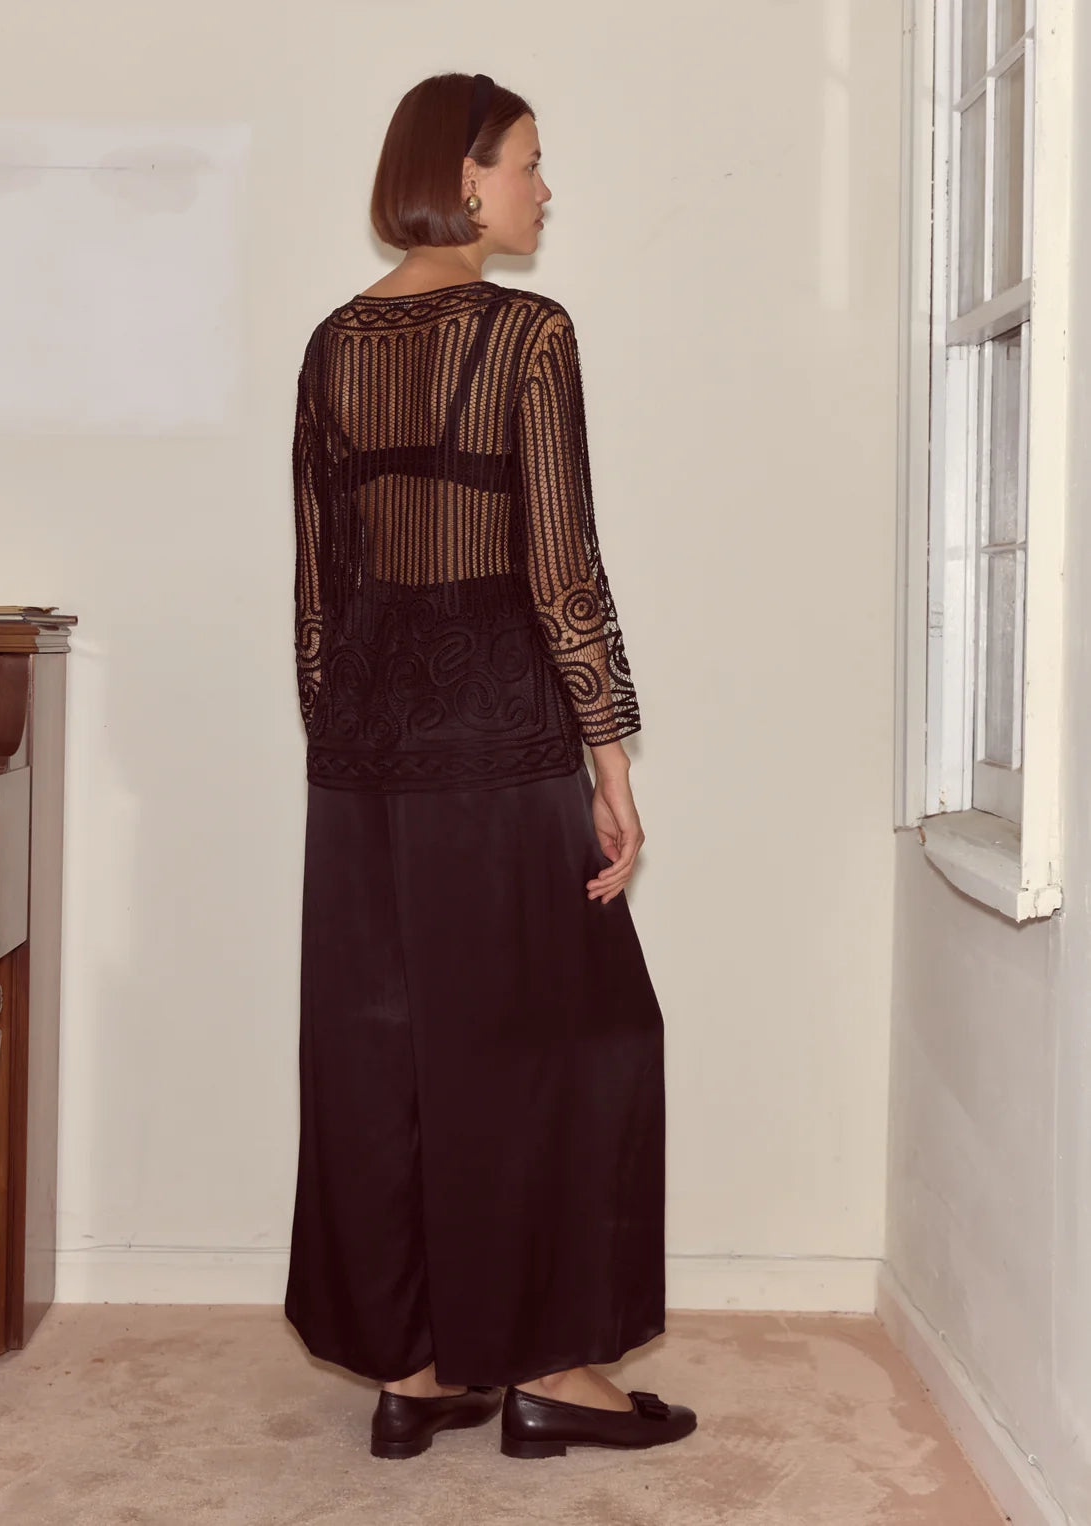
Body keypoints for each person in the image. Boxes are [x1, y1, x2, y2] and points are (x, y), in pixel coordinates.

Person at [282, 70, 697, 1462]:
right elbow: (560, 559)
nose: (543, 186)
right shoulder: (529, 333)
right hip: (504, 739)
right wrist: (609, 746)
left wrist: (345, 744)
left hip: (364, 756)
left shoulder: (334, 341)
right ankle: (553, 1369)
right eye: (528, 162)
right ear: (464, 178)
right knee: (567, 1043)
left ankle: (415, 1368)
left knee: (384, 1052)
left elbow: (318, 589)